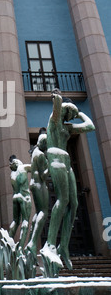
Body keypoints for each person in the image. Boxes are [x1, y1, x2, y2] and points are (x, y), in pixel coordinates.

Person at [41, 88, 95, 271]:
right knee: (63, 200)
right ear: (65, 109)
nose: (71, 117)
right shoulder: (54, 121)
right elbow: (56, 108)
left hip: (67, 161)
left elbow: (90, 126)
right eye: (70, 113)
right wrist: (58, 98)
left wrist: (79, 112)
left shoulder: (68, 127)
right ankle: (49, 244)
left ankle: (63, 246)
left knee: (75, 203)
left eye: (72, 114)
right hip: (55, 158)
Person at [26, 128, 49, 259]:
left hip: (34, 184)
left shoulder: (34, 151)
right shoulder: (40, 155)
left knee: (38, 212)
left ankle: (31, 239)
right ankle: (33, 241)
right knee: (43, 212)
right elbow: (43, 175)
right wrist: (50, 165)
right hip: (39, 184)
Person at [9, 155, 32, 248]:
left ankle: (7, 242)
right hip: (24, 197)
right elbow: (37, 166)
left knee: (15, 221)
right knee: (25, 221)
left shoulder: (12, 174)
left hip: (15, 197)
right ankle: (20, 247)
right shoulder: (24, 167)